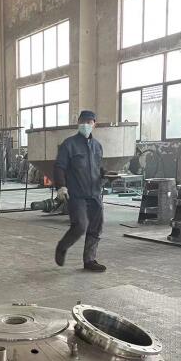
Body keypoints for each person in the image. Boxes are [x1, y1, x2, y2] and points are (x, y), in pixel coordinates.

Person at [53, 109, 107, 272]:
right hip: (77, 195)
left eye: (89, 122)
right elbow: (59, 167)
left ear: (94, 124)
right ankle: (62, 246)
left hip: (95, 194)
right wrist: (61, 186)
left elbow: (98, 168)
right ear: (78, 123)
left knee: (96, 227)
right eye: (83, 122)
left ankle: (89, 260)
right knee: (80, 226)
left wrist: (105, 176)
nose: (85, 125)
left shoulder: (98, 146)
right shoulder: (69, 144)